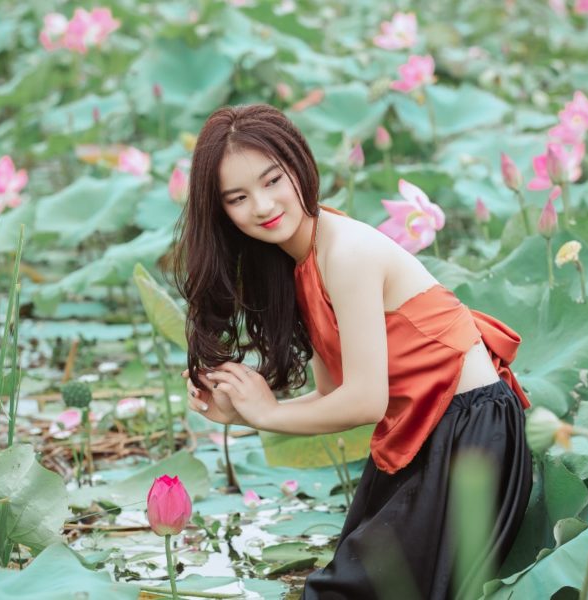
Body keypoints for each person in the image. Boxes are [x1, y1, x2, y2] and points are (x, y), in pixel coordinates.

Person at [174, 103, 533, 600]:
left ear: (299, 165)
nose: (261, 205)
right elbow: (335, 396)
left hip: (471, 435)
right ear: (222, 213)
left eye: (272, 180)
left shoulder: (345, 253)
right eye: (237, 197)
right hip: (420, 432)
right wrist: (246, 414)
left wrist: (268, 413)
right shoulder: (300, 264)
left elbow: (365, 402)